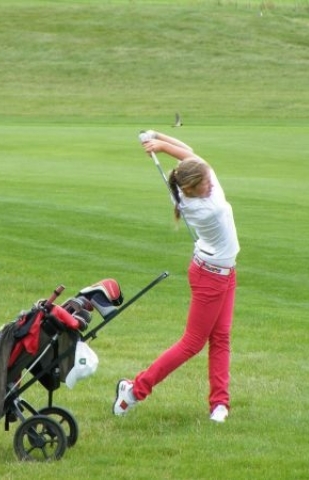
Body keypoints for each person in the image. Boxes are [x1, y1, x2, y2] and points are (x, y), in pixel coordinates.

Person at [113, 130, 240, 423]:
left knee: (221, 337)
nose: (211, 183)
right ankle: (134, 390)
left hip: (223, 272)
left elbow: (190, 155)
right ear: (192, 188)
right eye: (205, 182)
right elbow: (191, 156)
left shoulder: (191, 190)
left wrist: (159, 139)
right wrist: (161, 145)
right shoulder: (208, 207)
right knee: (192, 343)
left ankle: (219, 403)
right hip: (211, 278)